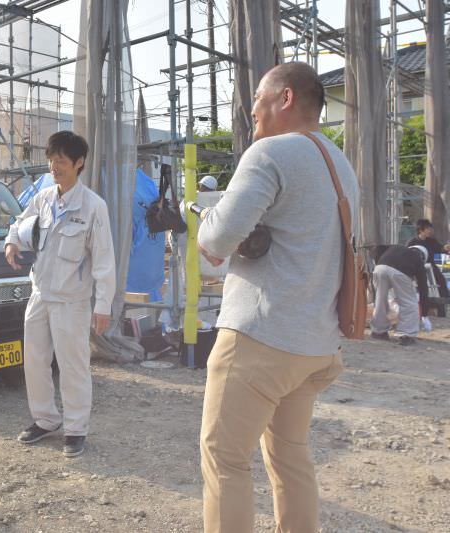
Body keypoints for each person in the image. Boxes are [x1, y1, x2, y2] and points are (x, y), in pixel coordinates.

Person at [194, 62, 358, 533]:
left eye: (258, 100)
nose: (252, 112)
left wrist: (207, 224)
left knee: (224, 458)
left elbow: (218, 239)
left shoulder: (269, 153)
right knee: (290, 456)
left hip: (261, 339)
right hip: (315, 343)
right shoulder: (339, 162)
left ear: (285, 98)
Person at [4, 130, 116, 458]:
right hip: (40, 293)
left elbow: (105, 260)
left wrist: (103, 305)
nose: (54, 167)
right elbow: (19, 223)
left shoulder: (93, 207)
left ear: (79, 163)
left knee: (73, 366)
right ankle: (45, 419)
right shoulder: (43, 198)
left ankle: (76, 428)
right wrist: (11, 241)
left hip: (72, 300)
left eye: (61, 161)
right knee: (35, 361)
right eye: (51, 160)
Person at [370, 244, 430, 345]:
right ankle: (406, 335)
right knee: (409, 302)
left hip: (380, 268)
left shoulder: (397, 247)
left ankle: (378, 331)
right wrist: (424, 314)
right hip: (400, 272)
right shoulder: (418, 259)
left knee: (380, 300)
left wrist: (379, 263)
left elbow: (377, 248)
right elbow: (423, 288)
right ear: (423, 257)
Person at [407, 219, 449, 298]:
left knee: (441, 282)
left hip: (432, 268)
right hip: (417, 270)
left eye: (430, 228)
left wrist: (445, 248)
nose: (430, 230)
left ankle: (443, 302)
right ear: (421, 230)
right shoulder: (412, 242)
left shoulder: (432, 241)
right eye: (428, 228)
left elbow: (440, 248)